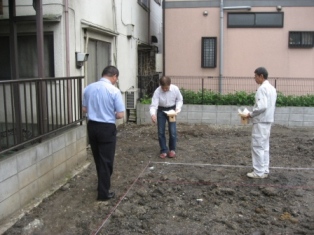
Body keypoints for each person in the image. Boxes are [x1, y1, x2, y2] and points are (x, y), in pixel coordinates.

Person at [82, 65, 125, 201]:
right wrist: (108, 112)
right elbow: (120, 115)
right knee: (106, 161)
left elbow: (84, 109)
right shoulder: (114, 91)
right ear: (114, 76)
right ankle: (103, 193)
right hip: (106, 128)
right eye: (116, 79)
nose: (116, 81)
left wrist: (96, 110)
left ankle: (101, 185)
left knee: (98, 158)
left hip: (92, 126)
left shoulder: (88, 88)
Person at [245, 67, 277, 179]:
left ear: (261, 76)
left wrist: (250, 114)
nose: (255, 78)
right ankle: (264, 169)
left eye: (255, 76)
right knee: (265, 146)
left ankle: (258, 171)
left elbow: (261, 106)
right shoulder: (272, 88)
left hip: (261, 121)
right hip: (268, 120)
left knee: (258, 146)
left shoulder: (262, 89)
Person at [150, 76, 183, 159]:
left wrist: (178, 108)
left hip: (172, 111)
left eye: (166, 88)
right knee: (161, 131)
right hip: (161, 111)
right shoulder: (157, 91)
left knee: (172, 131)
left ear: (169, 84)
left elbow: (179, 100)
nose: (164, 90)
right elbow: (154, 105)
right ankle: (164, 150)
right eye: (163, 88)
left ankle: (172, 149)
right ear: (160, 86)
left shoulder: (175, 89)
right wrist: (153, 114)